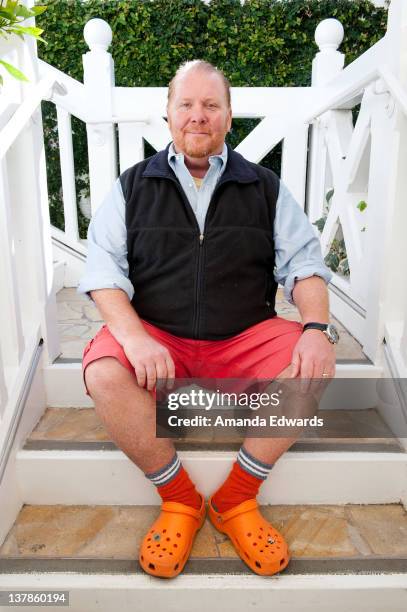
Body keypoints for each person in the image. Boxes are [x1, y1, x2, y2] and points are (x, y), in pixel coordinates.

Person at [78, 60, 337, 579]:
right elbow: (104, 273)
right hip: (158, 338)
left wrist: (315, 328)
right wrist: (135, 340)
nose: (199, 116)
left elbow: (305, 265)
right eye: (187, 105)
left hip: (242, 337)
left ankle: (236, 498)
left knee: (315, 363)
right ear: (169, 114)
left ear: (229, 115)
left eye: (211, 105)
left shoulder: (264, 187)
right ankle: (180, 500)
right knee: (104, 370)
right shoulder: (131, 187)